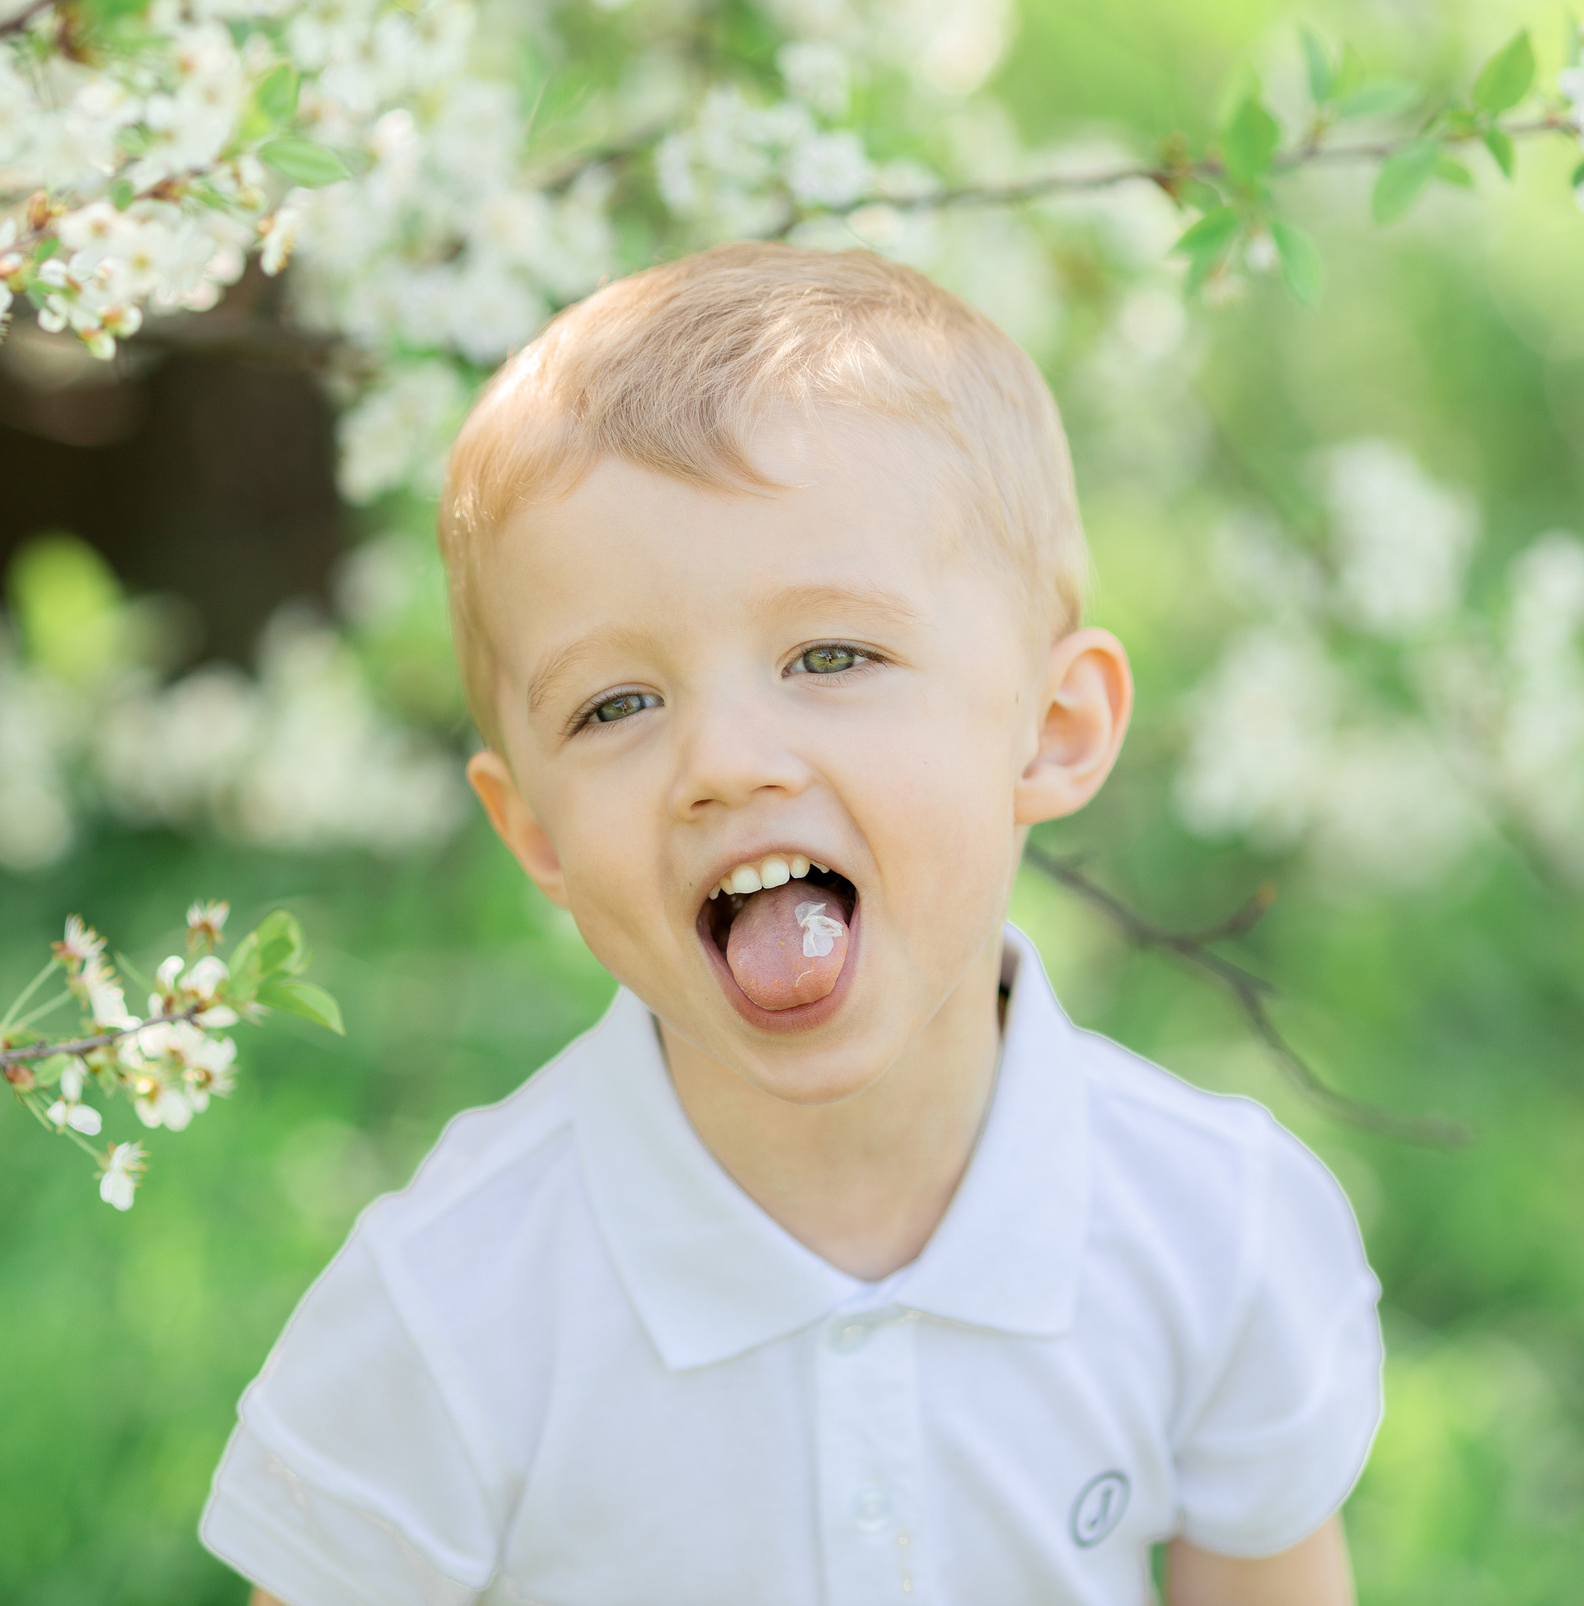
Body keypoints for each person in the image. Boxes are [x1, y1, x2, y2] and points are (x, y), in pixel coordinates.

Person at [200, 244, 1383, 1605]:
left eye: (831, 657)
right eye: (615, 707)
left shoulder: (1215, 1229)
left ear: (1052, 732)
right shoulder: (450, 1310)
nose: (725, 760)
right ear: (534, 832)